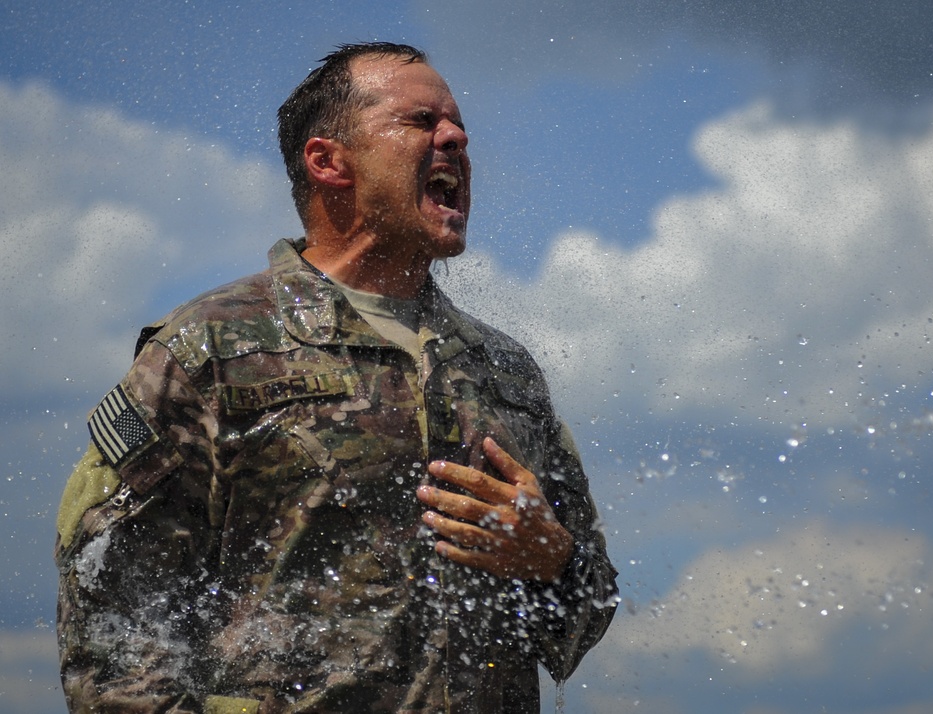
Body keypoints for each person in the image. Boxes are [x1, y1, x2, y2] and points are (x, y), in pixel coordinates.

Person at [55, 42, 618, 713]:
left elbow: (581, 626)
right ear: (329, 162)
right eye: (421, 123)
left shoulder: (505, 373)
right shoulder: (208, 350)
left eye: (458, 125)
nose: (457, 138)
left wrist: (552, 563)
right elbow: (110, 612)